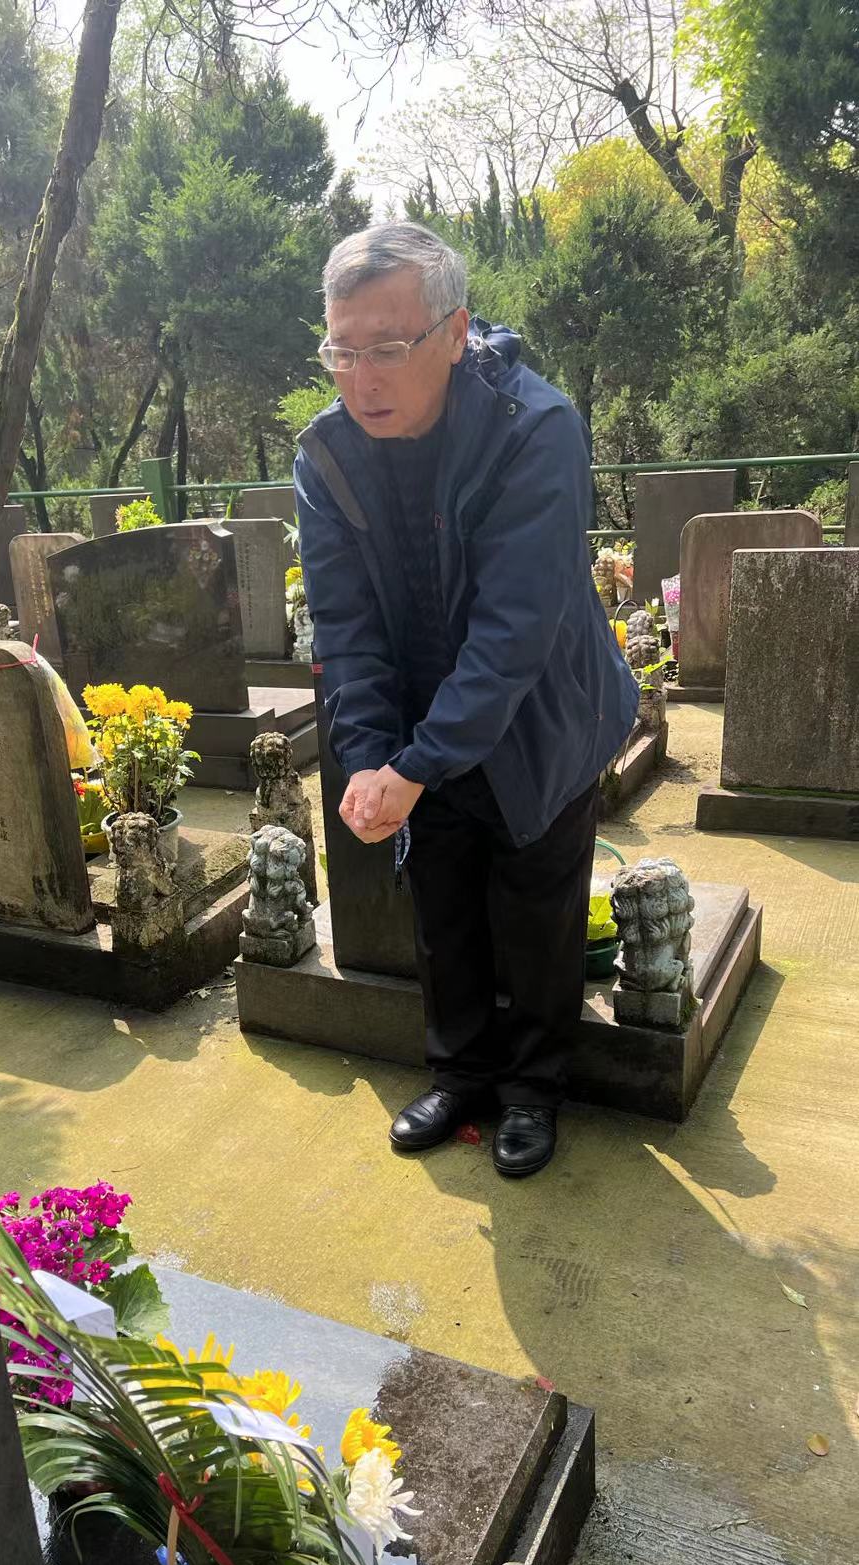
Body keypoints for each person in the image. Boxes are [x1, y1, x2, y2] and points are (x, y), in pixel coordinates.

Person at [294, 222, 637, 1178]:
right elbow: (346, 624)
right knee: (440, 902)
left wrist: (416, 762)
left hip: (541, 711)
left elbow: (515, 631)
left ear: (454, 332)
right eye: (341, 351)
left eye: (387, 349)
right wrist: (375, 756)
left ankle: (533, 1088)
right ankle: (460, 1072)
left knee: (536, 905)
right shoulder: (327, 455)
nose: (361, 379)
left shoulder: (535, 428)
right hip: (418, 718)